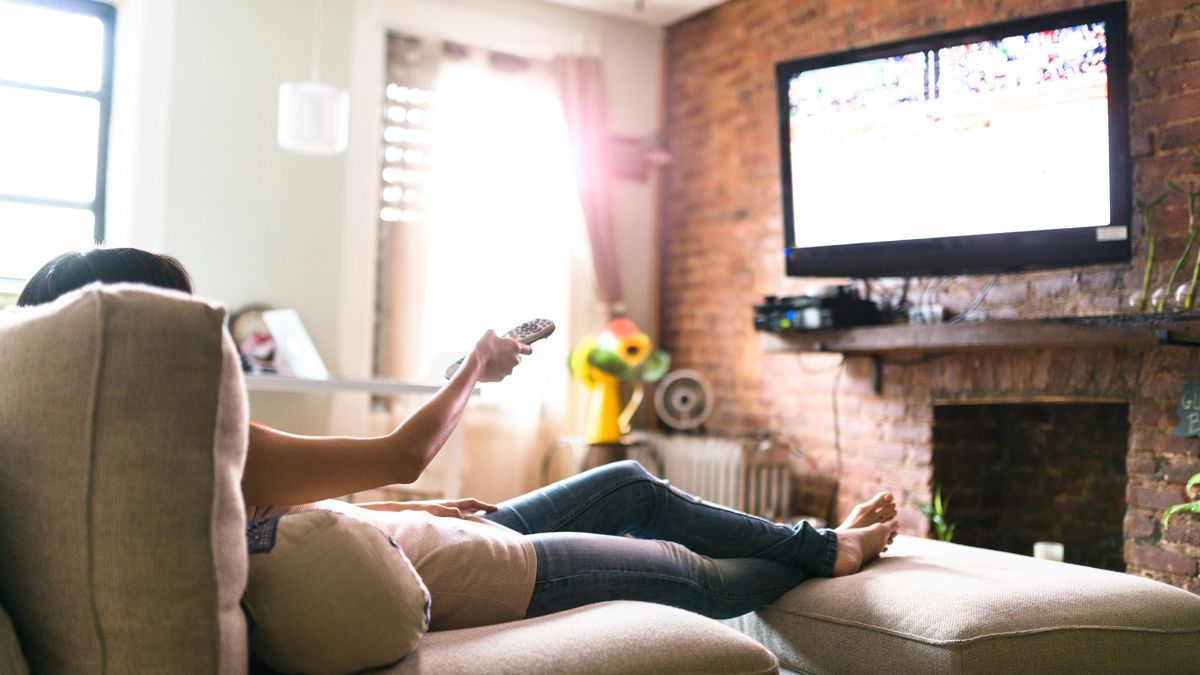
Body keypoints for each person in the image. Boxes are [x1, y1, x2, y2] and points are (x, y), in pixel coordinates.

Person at [17, 247, 900, 630]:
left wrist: (408, 507)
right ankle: (827, 551)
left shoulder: (128, 470)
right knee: (695, 577)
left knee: (631, 484)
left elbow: (286, 518)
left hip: (431, 535)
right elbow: (402, 448)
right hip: (476, 571)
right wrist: (476, 365)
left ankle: (817, 543)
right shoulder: (197, 453)